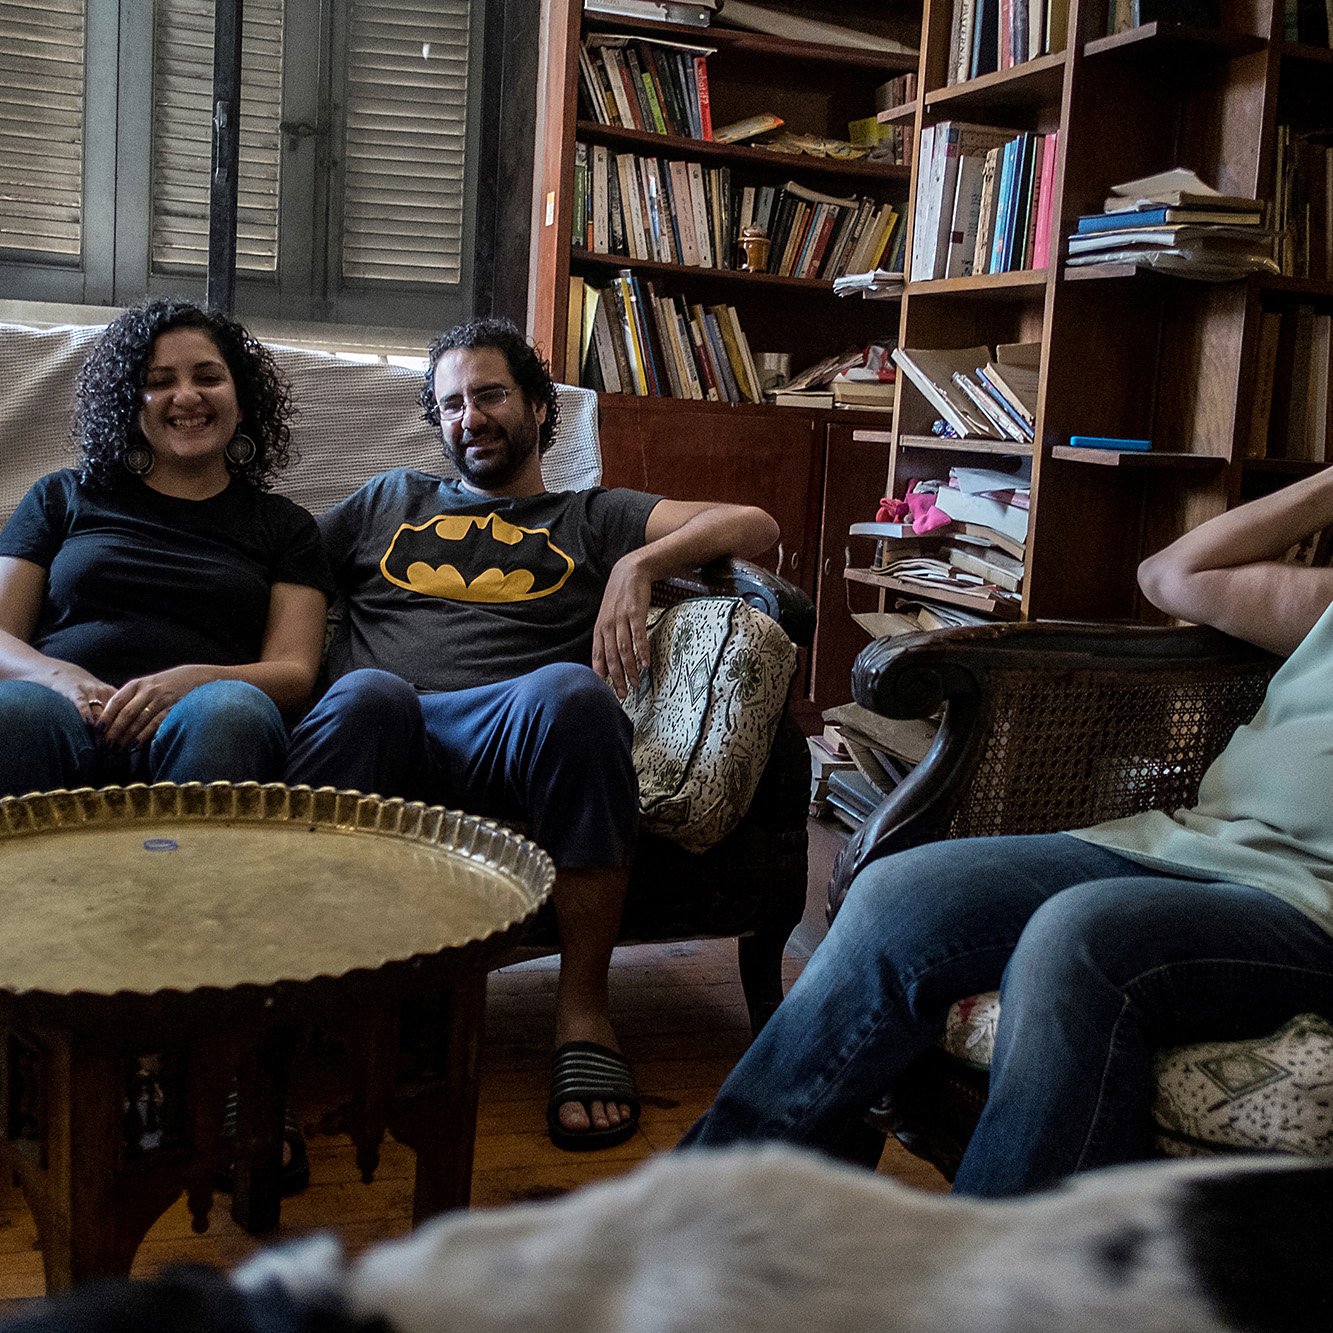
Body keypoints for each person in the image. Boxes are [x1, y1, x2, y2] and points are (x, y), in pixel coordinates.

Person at [680, 466, 1333, 1195]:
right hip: (1188, 842)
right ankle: (706, 1203)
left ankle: (990, 1285)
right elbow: (1171, 573)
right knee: (902, 890)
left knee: (1078, 936)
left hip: (1306, 906)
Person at [285, 317, 779, 1150]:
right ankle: (301, 1007)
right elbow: (276, 566)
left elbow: (754, 522)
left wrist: (638, 563)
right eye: (448, 405)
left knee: (573, 692)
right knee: (369, 693)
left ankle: (582, 1015)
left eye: (488, 395)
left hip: (511, 726)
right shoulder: (385, 501)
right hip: (380, 721)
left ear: (540, 408)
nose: (467, 418)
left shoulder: (592, 515)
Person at [0, 298, 331, 798]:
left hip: (201, 721)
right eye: (159, 382)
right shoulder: (62, 496)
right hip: (61, 715)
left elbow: (294, 671)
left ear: (241, 402)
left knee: (234, 710)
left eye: (208, 377)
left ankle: (186, 877)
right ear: (129, 406)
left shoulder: (285, 526)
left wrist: (193, 681)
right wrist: (58, 678)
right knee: (15, 708)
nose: (187, 396)